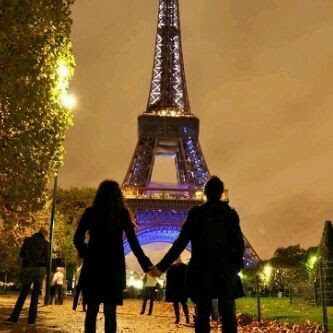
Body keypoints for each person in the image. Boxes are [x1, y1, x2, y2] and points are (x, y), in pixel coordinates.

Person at [150, 176, 245, 333]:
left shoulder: (196, 214)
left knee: (202, 316)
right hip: (225, 271)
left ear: (205, 193)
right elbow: (239, 244)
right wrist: (235, 267)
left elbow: (180, 243)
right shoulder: (230, 214)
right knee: (228, 316)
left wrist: (161, 267)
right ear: (221, 193)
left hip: (202, 271)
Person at [74, 180, 153, 333]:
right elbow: (134, 244)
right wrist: (147, 265)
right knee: (111, 313)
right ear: (118, 196)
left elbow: (77, 238)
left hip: (94, 267)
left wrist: (88, 255)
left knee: (91, 311)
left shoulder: (90, 212)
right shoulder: (122, 215)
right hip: (114, 269)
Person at [4, 227, 49, 325]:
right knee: (35, 295)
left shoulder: (28, 241)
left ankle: (14, 318)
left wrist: (28, 260)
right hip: (40, 270)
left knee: (23, 293)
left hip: (29, 268)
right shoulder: (46, 243)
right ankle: (31, 320)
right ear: (44, 234)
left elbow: (21, 254)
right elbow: (47, 258)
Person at [165, 256, 190, 324]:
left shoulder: (172, 268)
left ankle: (178, 319)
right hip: (181, 288)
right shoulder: (185, 267)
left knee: (177, 304)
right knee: (183, 303)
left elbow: (168, 279)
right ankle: (186, 319)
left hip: (175, 288)